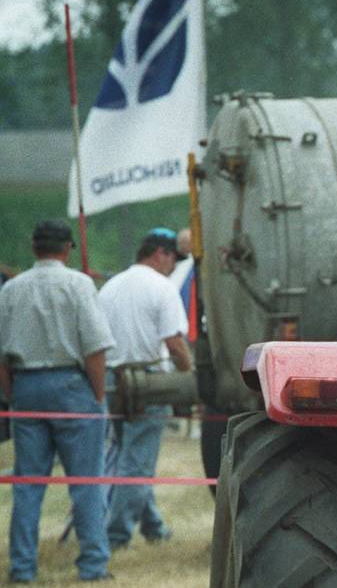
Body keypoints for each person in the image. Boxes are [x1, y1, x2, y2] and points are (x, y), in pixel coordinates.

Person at [0, 220, 115, 582]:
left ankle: (22, 568)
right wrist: (97, 396)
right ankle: (93, 565)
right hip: (72, 385)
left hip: (26, 386)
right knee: (86, 482)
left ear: (34, 248)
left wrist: (12, 396)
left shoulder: (11, 289)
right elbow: (94, 348)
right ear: (68, 249)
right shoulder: (79, 284)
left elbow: (1, 355)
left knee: (28, 484)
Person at [98, 227, 192, 549]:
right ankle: (115, 536)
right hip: (148, 381)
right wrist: (189, 377)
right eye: (172, 259)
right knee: (136, 464)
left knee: (129, 456)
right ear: (160, 254)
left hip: (112, 380)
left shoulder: (110, 287)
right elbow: (175, 343)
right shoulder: (161, 288)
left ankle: (153, 527)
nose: (173, 266)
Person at [167, 228, 198, 344]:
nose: (184, 245)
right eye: (181, 242)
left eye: (187, 242)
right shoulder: (175, 266)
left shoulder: (189, 265)